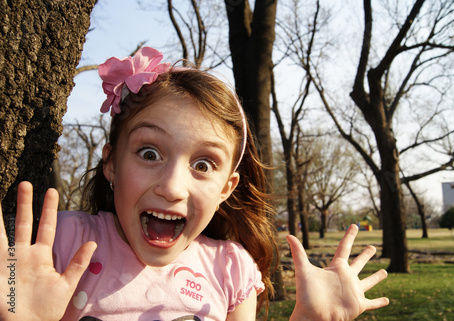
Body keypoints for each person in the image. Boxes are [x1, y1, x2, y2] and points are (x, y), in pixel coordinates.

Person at [0, 47, 389, 321]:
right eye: (149, 153)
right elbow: (14, 293)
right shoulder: (60, 245)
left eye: (204, 164)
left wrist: (310, 319)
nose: (172, 187)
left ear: (226, 187)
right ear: (111, 164)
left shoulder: (230, 270)